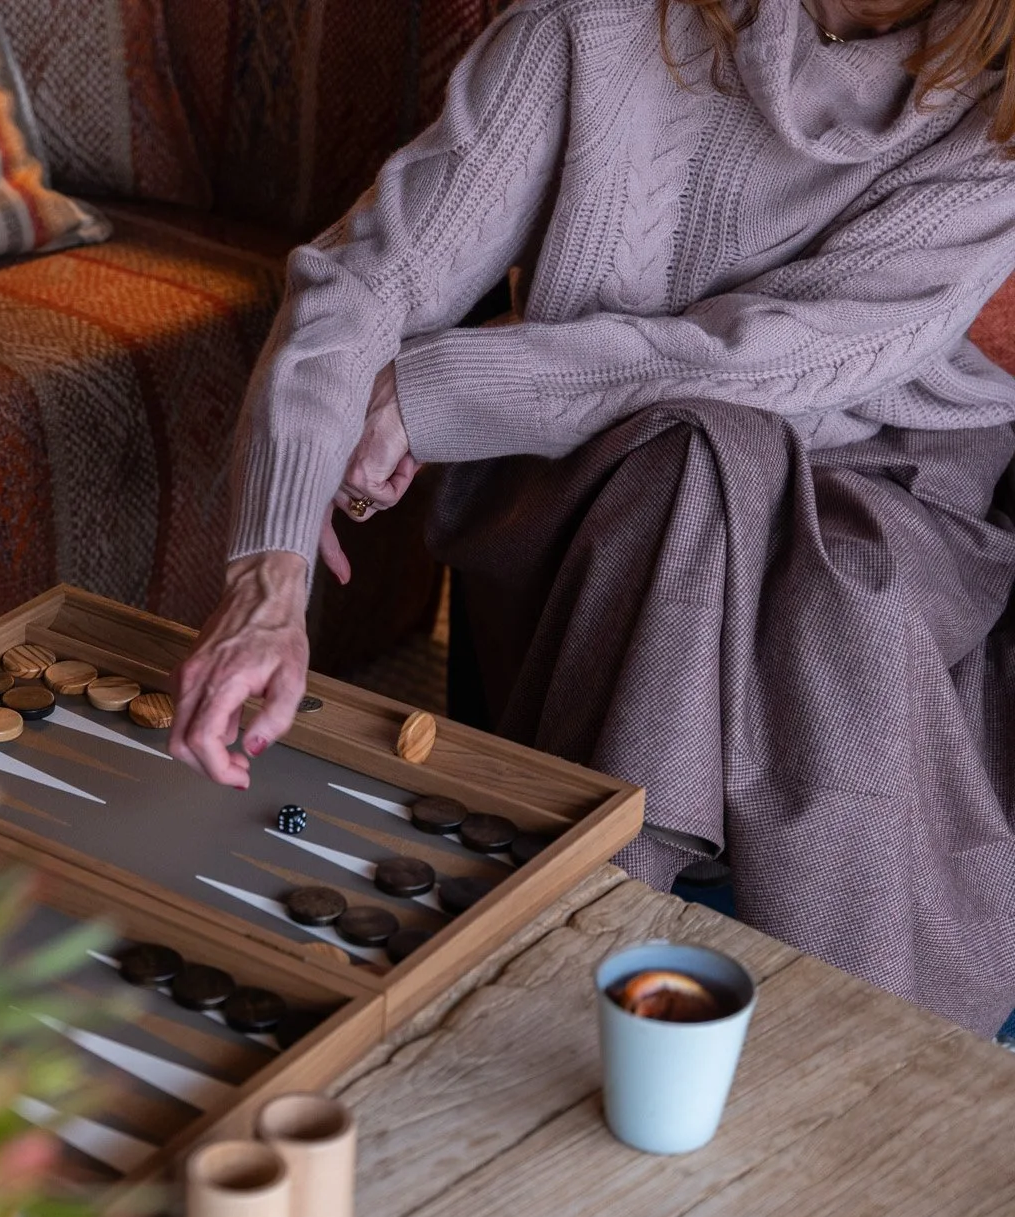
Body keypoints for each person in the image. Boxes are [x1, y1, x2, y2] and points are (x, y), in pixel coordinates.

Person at [170, 0, 1015, 1034]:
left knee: (819, 582)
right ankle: (582, 960)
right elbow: (372, 276)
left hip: (885, 472)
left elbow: (786, 354)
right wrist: (271, 567)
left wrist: (444, 391)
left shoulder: (997, 104)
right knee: (688, 470)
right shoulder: (601, 21)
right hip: (610, 474)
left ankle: (842, 1054)